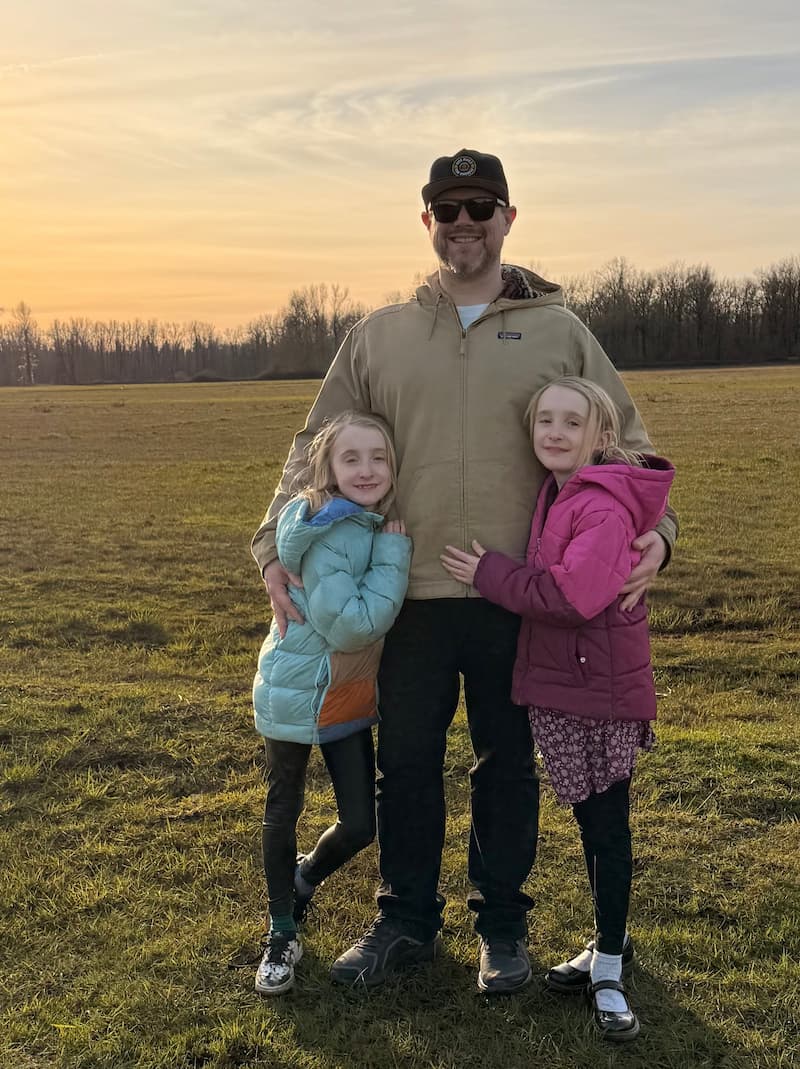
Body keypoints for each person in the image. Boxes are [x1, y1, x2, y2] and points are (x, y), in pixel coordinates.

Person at [251, 149, 678, 993]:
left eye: (482, 207)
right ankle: (404, 919)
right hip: (402, 594)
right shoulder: (379, 335)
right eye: (448, 209)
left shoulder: (560, 331)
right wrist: (272, 544)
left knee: (506, 766)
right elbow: (314, 444)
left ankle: (503, 928)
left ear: (508, 218)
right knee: (406, 764)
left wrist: (659, 533)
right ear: (428, 223)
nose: (464, 223)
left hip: (517, 596)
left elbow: (625, 442)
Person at [441, 376, 674, 1039]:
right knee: (595, 823)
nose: (555, 431)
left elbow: (573, 598)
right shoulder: (560, 490)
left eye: (572, 422)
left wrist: (490, 574)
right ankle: (609, 941)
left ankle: (609, 969)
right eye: (545, 419)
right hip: (578, 684)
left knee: (605, 827)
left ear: (603, 436)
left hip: (599, 692)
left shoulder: (598, 506)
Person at [252, 411, 412, 995]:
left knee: (360, 822)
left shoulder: (359, 522)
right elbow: (351, 626)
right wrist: (395, 557)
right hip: (296, 691)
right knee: (283, 809)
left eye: (378, 457)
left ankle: (302, 880)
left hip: (339, 691)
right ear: (328, 469)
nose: (366, 470)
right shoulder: (333, 532)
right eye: (351, 458)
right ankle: (280, 932)